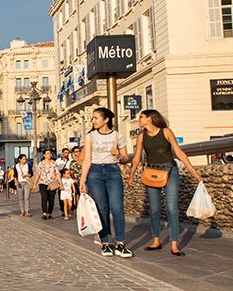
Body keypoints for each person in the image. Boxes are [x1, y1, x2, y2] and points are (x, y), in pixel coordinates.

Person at [128, 109, 204, 256]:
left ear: (150, 118)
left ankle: (174, 244)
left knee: (171, 208)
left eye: (142, 117)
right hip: (151, 172)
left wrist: (194, 172)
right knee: (155, 209)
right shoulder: (141, 137)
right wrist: (131, 175)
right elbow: (136, 158)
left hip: (170, 171)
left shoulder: (166, 132)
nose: (139, 119)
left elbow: (179, 152)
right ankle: (156, 240)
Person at [79, 107, 133, 258]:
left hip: (113, 172)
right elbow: (87, 160)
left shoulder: (118, 136)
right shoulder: (90, 136)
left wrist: (119, 155)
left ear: (106, 120)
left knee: (117, 208)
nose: (93, 121)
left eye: (96, 118)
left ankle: (120, 244)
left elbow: (125, 158)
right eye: (93, 118)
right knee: (101, 208)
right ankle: (105, 242)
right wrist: (82, 181)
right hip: (95, 173)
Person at [35, 149, 59, 220]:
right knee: (44, 198)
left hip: (52, 183)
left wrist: (60, 183)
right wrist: (34, 184)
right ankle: (44, 213)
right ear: (44, 155)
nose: (49, 155)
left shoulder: (54, 163)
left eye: (50, 153)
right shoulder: (41, 163)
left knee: (51, 199)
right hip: (43, 183)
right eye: (48, 153)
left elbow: (57, 173)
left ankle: (50, 213)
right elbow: (37, 174)